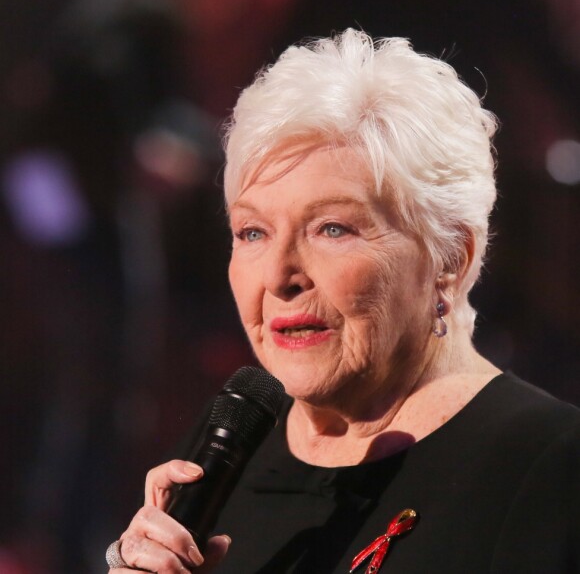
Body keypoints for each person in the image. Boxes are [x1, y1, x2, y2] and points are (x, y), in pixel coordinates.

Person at [106, 29, 580, 573]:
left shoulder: (550, 469)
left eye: (331, 228)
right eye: (253, 232)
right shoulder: (225, 455)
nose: (280, 276)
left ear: (450, 257)